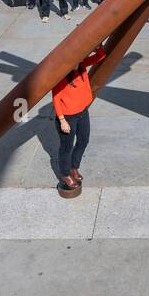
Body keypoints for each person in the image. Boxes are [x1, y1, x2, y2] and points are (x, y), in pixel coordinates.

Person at [52, 44, 107, 193]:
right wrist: (62, 120)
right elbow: (56, 99)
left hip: (82, 112)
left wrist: (98, 47)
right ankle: (65, 175)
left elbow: (100, 56)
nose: (82, 58)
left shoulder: (82, 66)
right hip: (68, 118)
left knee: (83, 140)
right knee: (66, 148)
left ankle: (74, 167)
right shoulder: (62, 75)